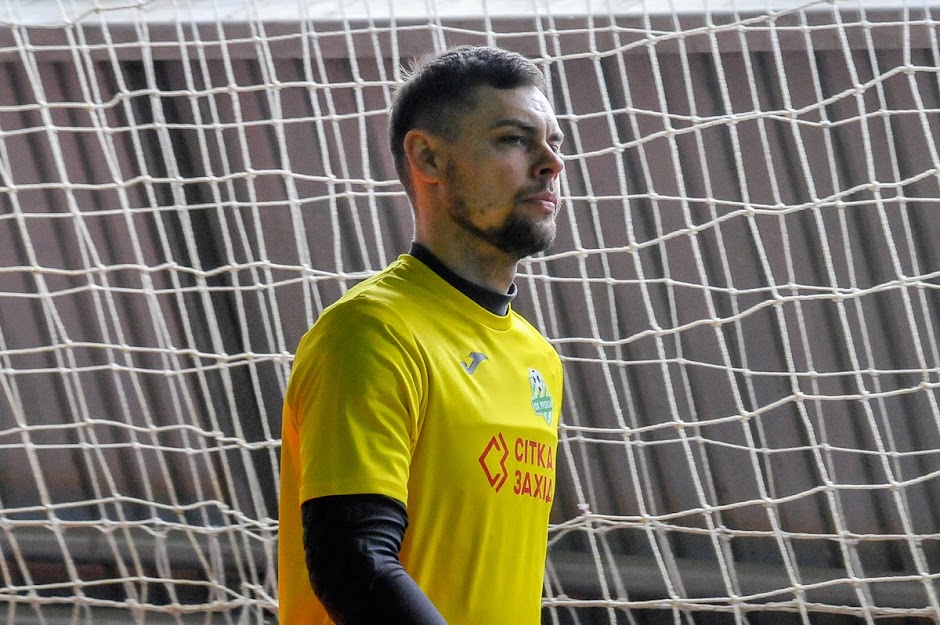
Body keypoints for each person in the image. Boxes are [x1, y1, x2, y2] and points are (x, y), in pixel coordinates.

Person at [277, 45, 565, 625]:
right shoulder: (373, 332)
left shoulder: (538, 357)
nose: (550, 163)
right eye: (514, 139)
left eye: (554, 143)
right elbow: (353, 562)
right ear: (427, 157)